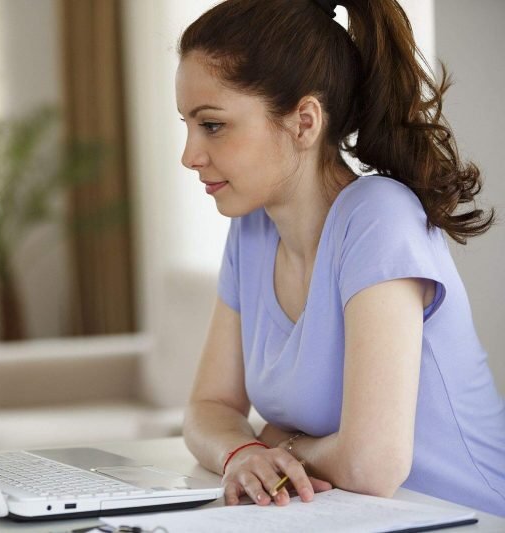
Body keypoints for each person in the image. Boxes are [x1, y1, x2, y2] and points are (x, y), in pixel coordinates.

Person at [176, 0, 505, 518]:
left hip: (468, 516)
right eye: (188, 125)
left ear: (304, 122)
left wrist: (280, 447)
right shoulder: (252, 228)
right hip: (353, 518)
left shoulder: (379, 219)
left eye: (212, 125)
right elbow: (208, 408)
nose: (190, 154)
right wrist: (241, 450)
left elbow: (372, 466)